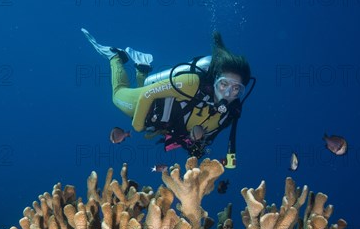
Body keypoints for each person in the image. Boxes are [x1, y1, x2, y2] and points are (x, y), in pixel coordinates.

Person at [81, 28, 254, 166]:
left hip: (164, 122)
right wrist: (137, 126)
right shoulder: (191, 82)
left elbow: (203, 134)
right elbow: (149, 93)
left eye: (236, 88)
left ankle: (142, 69)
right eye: (224, 84)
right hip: (143, 104)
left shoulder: (229, 115)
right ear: (215, 80)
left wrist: (196, 142)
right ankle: (115, 57)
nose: (228, 93)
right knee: (117, 94)